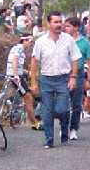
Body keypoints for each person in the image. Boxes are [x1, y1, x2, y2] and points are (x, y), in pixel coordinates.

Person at [30, 11, 81, 149]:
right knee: (47, 112)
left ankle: (65, 131)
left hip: (63, 79)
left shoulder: (68, 40)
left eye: (60, 22)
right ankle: (49, 140)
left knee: (62, 109)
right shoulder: (40, 42)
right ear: (49, 23)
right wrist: (33, 82)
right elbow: (34, 62)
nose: (59, 25)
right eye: (56, 22)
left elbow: (75, 58)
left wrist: (73, 77)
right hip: (46, 79)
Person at [64, 17, 90, 140]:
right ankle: (63, 127)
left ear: (76, 27)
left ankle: (73, 128)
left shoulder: (85, 43)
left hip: (79, 74)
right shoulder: (62, 41)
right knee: (63, 103)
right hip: (64, 74)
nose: (65, 28)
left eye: (68, 26)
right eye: (65, 26)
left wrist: (89, 79)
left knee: (76, 103)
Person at [6, 34, 42, 130]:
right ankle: (34, 123)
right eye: (30, 41)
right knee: (28, 97)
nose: (31, 44)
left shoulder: (16, 48)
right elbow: (15, 60)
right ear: (24, 41)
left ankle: (26, 118)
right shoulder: (19, 48)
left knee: (26, 96)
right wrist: (16, 75)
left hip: (16, 74)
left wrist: (27, 72)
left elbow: (18, 65)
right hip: (16, 76)